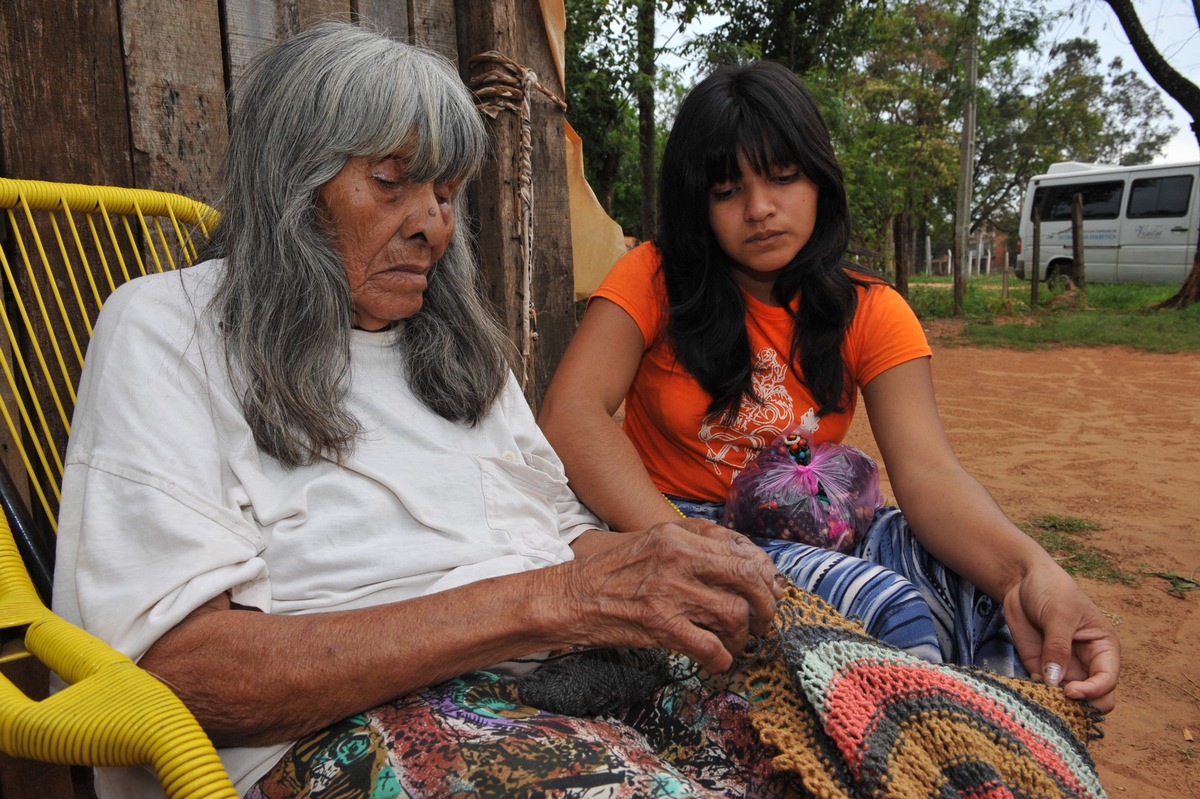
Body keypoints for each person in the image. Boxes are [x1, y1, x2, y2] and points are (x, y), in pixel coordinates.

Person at [51, 24, 797, 798]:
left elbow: (556, 538)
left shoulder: (454, 351)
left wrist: (673, 564)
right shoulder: (171, 326)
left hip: (554, 679)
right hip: (331, 732)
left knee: (835, 692)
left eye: (444, 192)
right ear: (291, 179)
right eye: (390, 181)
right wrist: (559, 603)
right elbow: (185, 672)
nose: (432, 224)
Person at [538, 61, 1120, 711]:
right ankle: (910, 740)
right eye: (728, 189)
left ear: (818, 178)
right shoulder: (651, 277)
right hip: (674, 517)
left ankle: (1002, 724)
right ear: (698, 203)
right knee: (890, 607)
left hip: (816, 521)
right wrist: (675, 538)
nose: (759, 209)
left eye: (783, 177)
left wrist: (1030, 570)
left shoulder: (871, 308)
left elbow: (929, 475)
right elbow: (572, 413)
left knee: (985, 594)